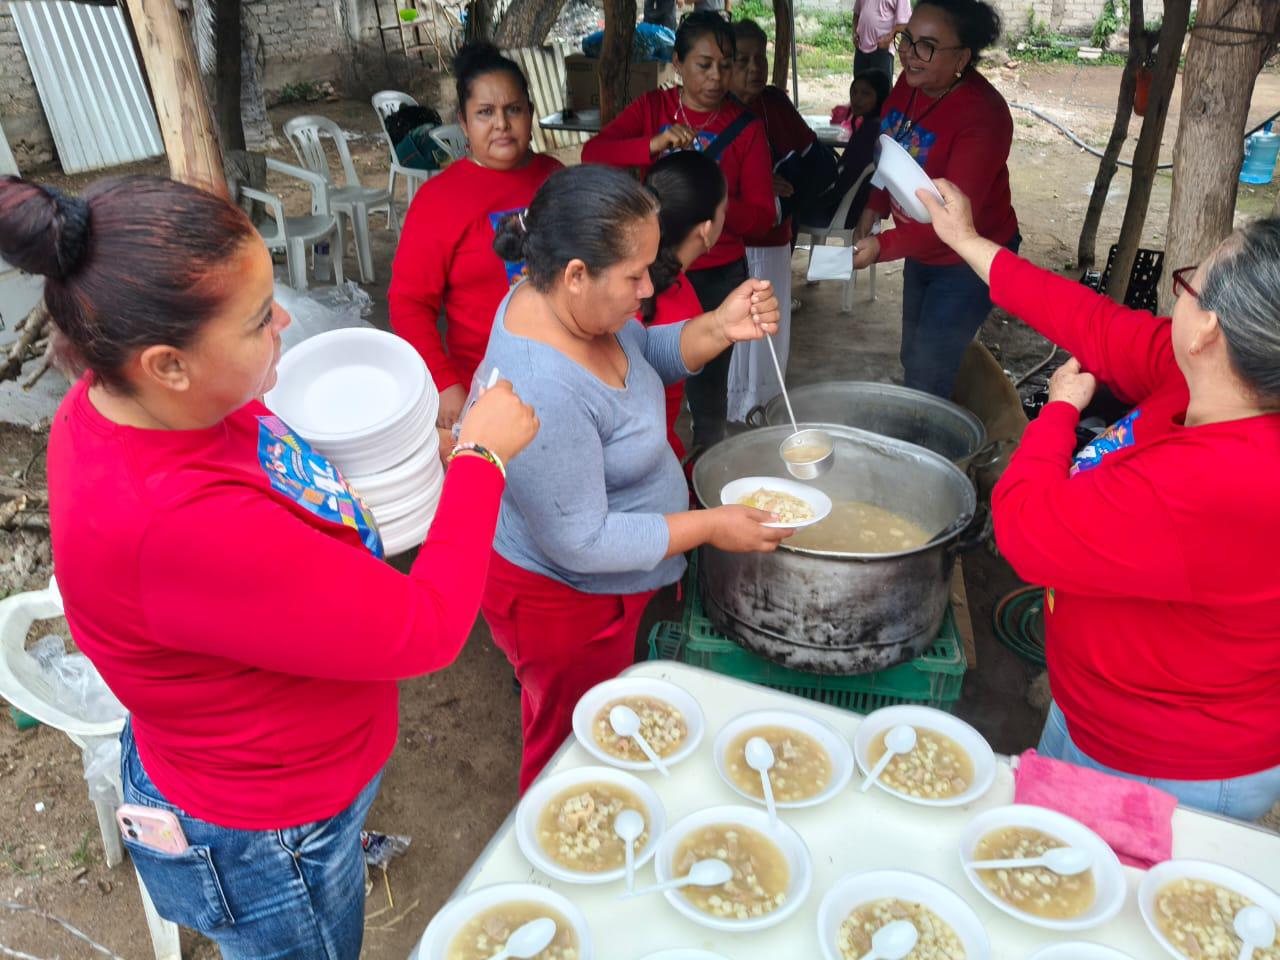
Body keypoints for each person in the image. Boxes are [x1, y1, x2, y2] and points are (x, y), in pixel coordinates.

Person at [0, 174, 537, 956]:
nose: (285, 318)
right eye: (258, 321)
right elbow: (427, 631)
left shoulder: (121, 399)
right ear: (167, 364)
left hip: (263, 758)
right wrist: (482, 460)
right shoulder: (178, 524)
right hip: (268, 831)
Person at [923, 179, 1280, 821]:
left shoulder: (1226, 478)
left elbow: (1027, 532)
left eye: (1192, 283)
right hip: (1098, 715)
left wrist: (1058, 414)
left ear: (1209, 332)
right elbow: (1094, 324)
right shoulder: (1213, 382)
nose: (1180, 293)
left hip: (1163, 764)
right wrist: (970, 243)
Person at [479, 165, 793, 789]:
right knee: (573, 751)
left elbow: (641, 355)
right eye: (634, 275)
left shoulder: (571, 307)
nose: (648, 288)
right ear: (575, 275)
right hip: (565, 604)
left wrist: (717, 328)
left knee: (615, 728)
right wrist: (710, 526)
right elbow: (583, 542)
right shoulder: (544, 384)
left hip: (611, 592)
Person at [582, 11, 775, 450]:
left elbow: (764, 217)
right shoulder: (653, 109)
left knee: (707, 390)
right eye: (703, 64)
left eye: (725, 65)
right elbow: (594, 153)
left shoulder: (745, 128)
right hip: (655, 266)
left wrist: (709, 205)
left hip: (719, 274)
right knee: (641, 375)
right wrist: (649, 145)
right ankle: (652, 464)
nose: (716, 77)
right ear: (677, 63)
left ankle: (704, 466)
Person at [389, 42, 562, 429]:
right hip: (486, 391)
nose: (501, 124)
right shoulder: (438, 200)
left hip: (566, 377)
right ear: (463, 123)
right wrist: (446, 382)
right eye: (485, 112)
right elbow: (409, 304)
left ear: (530, 114)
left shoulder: (556, 179)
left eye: (512, 109)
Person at [852, 0, 1019, 400]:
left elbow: (951, 222)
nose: (909, 53)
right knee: (915, 354)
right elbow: (891, 146)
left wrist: (881, 246)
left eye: (926, 45)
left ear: (962, 57)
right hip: (923, 247)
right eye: (907, 39)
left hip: (968, 257)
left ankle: (935, 452)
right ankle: (924, 421)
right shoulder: (911, 83)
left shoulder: (983, 116)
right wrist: (874, 202)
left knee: (931, 368)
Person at [725, 19, 815, 421]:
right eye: (742, 59)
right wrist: (754, 183)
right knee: (729, 324)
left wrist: (786, 177)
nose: (754, 68)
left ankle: (758, 404)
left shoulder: (774, 104)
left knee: (765, 327)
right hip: (727, 240)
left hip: (773, 235)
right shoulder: (716, 111)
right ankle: (727, 402)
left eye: (760, 57)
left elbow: (811, 158)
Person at [642, 151, 730, 461]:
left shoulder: (624, 277)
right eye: (724, 210)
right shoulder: (683, 307)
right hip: (651, 454)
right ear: (706, 230)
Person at [802, 70, 891, 231]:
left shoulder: (871, 132)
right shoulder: (873, 125)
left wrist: (808, 199)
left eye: (866, 94)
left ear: (880, 97)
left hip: (843, 210)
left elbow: (844, 181)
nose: (857, 99)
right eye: (854, 91)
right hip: (852, 206)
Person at [853, 0, 912, 77]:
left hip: (882, 49)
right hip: (861, 47)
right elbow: (856, 14)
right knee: (860, 84)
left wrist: (888, 39)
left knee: (881, 86)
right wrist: (854, 33)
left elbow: (904, 23)